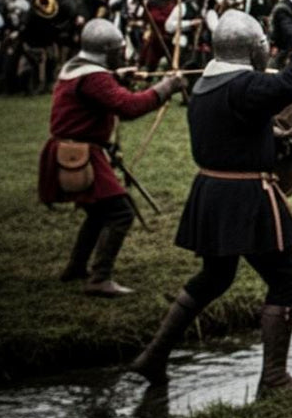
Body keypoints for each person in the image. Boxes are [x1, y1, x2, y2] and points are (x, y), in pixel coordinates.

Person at [130, 5, 292, 396]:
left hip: (212, 192)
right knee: (287, 280)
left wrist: (272, 138)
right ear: (254, 47)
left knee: (215, 276)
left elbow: (230, 131)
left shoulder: (207, 84)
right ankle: (274, 378)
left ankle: (153, 356)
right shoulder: (243, 85)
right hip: (244, 197)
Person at [39, 18, 185, 296]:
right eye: (118, 50)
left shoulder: (77, 68)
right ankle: (99, 278)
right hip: (80, 151)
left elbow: (102, 93)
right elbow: (128, 107)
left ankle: (76, 267)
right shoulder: (93, 77)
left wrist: (117, 77)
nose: (122, 53)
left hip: (74, 148)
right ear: (106, 51)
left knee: (98, 212)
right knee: (119, 213)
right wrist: (166, 87)